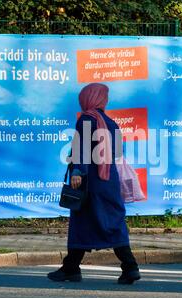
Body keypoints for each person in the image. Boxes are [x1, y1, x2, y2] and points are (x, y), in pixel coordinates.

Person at [47, 83, 141, 285]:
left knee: (81, 222)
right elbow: (116, 155)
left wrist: (78, 171)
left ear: (88, 98)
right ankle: (128, 267)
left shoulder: (86, 119)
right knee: (113, 222)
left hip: (89, 181)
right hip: (110, 182)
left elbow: (81, 148)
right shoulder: (112, 124)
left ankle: (71, 268)